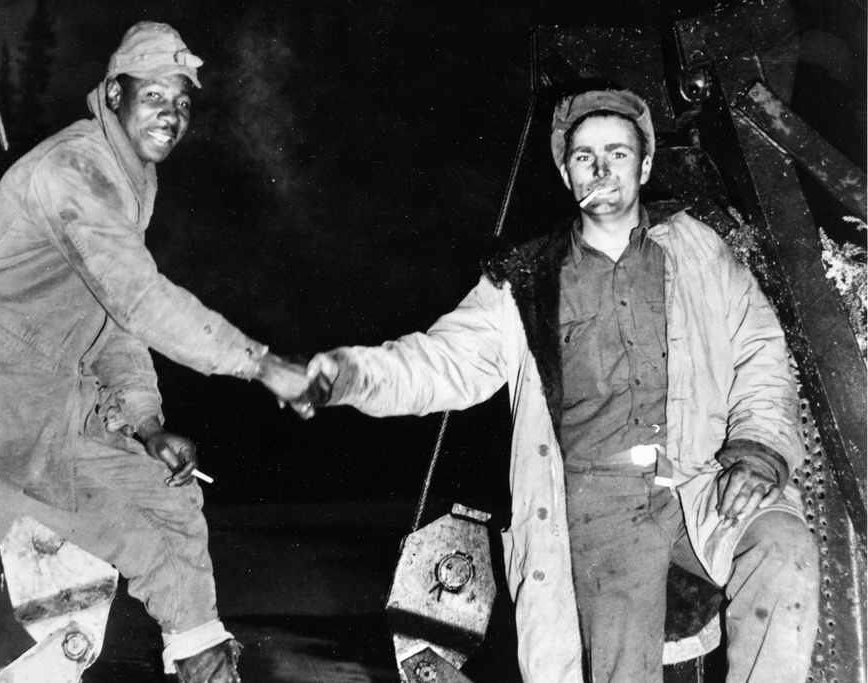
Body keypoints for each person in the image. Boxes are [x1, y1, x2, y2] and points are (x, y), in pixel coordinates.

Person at [300, 89, 820, 682]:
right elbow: (444, 361)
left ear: (645, 166)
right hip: (600, 505)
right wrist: (348, 375)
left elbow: (759, 354)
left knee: (784, 551)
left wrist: (757, 450)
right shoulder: (526, 278)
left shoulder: (700, 251)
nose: (602, 170)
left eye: (618, 154)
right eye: (584, 157)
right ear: (565, 172)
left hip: (699, 481)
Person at [0, 21, 309, 683]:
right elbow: (138, 296)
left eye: (181, 104)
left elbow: (115, 323)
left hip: (31, 413)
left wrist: (147, 425)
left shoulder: (130, 183)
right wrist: (260, 362)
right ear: (114, 93)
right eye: (154, 97)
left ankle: (205, 664)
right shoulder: (77, 167)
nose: (171, 115)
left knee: (162, 502)